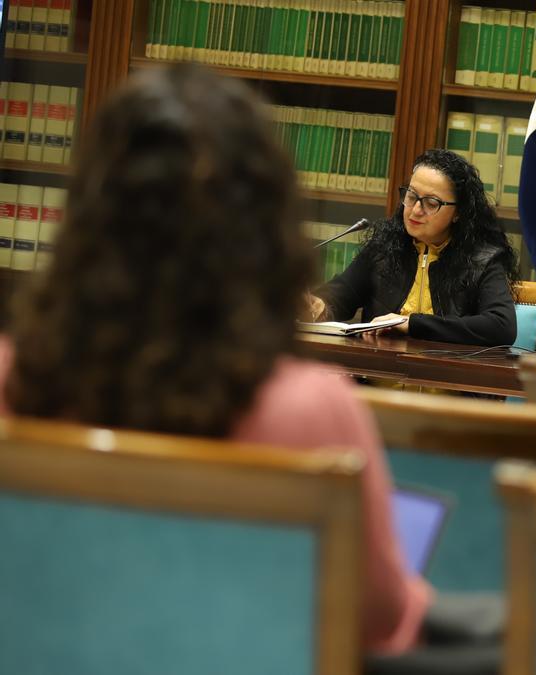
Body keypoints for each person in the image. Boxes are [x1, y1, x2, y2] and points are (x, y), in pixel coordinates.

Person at [0, 64, 429, 654]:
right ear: (266, 228)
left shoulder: (12, 380)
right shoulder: (312, 412)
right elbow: (379, 619)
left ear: (89, 212)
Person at [308, 148, 519, 347]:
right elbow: (342, 294)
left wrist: (412, 323)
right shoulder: (383, 247)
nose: (416, 210)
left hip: (442, 380)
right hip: (376, 379)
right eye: (411, 196)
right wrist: (318, 304)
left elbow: (501, 327)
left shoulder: (483, 260)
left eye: (431, 203)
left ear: (458, 212)